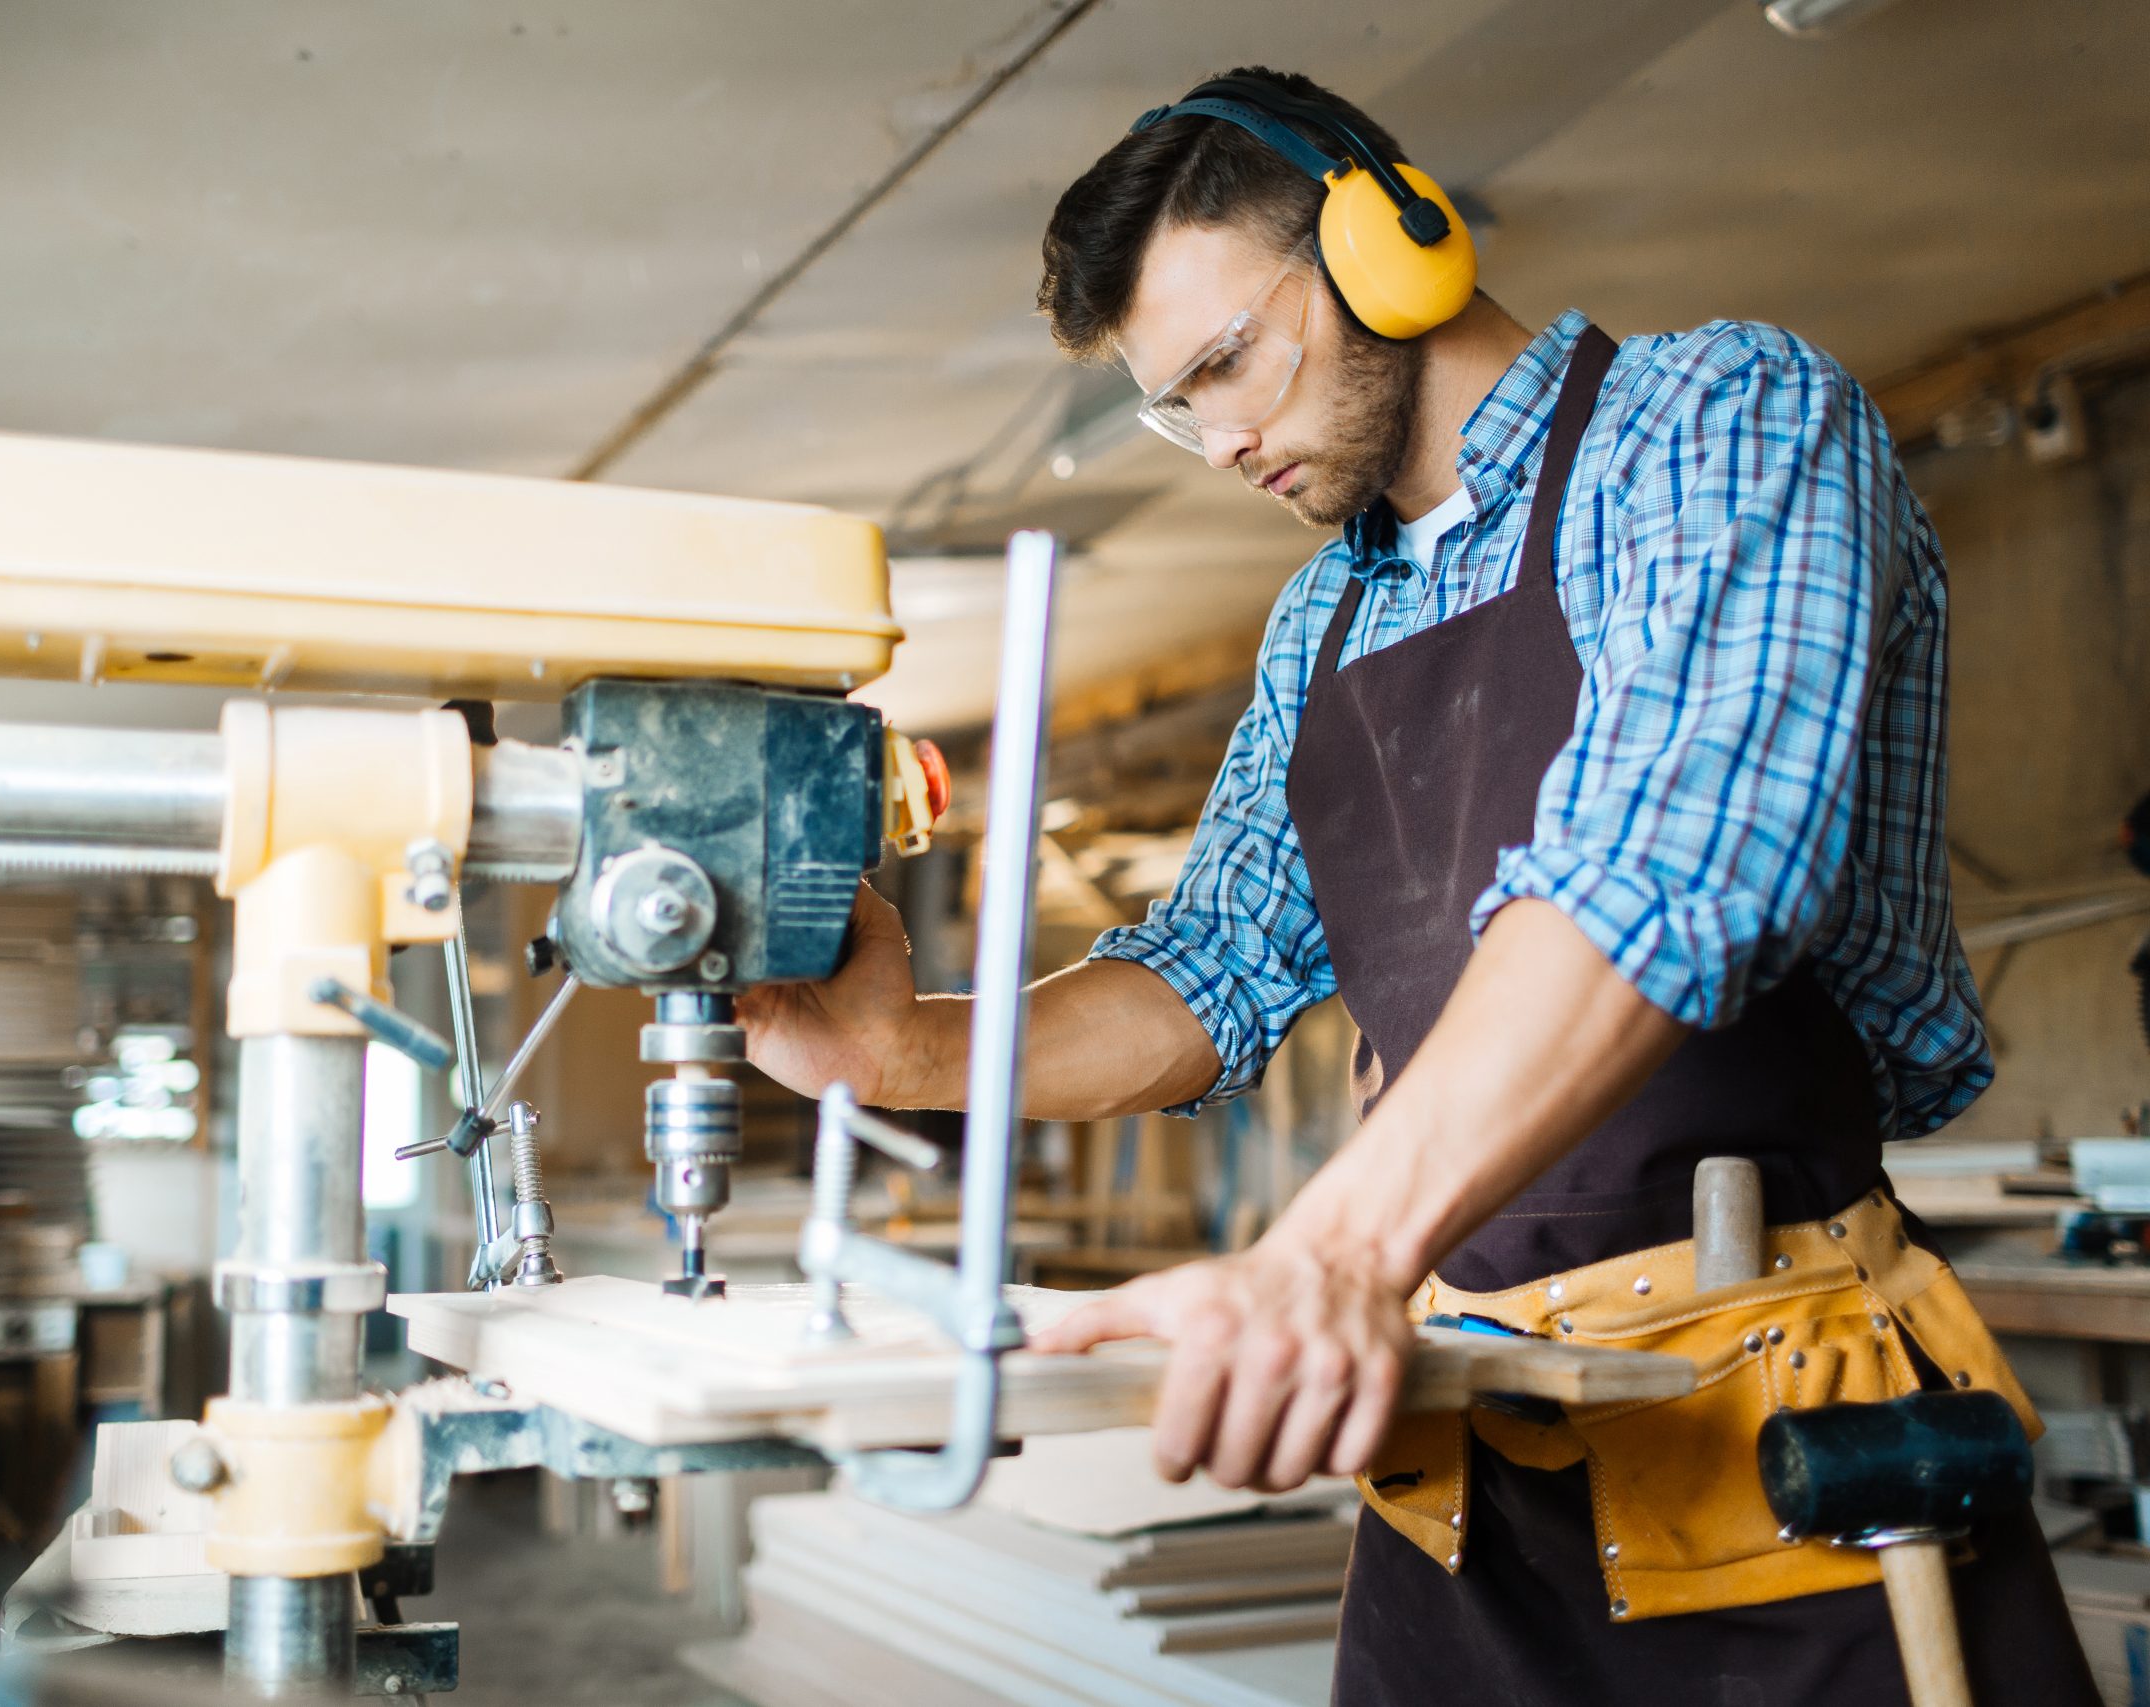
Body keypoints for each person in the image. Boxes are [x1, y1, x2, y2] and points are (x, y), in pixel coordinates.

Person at [742, 65, 2097, 1705]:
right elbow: (1212, 971)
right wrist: (906, 1056)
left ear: (1393, 237)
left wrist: (1327, 1252)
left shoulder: (1718, 420)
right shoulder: (1324, 618)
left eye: (1232, 360)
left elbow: (1676, 865)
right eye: (1175, 404)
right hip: (1464, 1475)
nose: (1220, 436)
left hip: (1783, 1448)